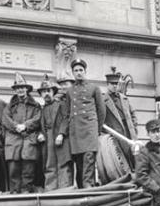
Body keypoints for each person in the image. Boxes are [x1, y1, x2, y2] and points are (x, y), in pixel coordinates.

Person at [62, 59, 106, 189]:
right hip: (75, 131)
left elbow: (101, 111)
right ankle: (81, 188)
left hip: (89, 129)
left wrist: (96, 130)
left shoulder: (94, 88)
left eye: (81, 70)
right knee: (79, 161)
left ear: (85, 71)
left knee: (89, 159)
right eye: (76, 71)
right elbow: (67, 113)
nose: (78, 73)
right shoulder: (70, 91)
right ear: (73, 73)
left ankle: (89, 186)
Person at [2, 73, 41, 194]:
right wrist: (16, 127)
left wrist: (25, 125)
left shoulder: (35, 105)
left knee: (28, 169)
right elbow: (5, 119)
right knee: (13, 168)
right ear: (14, 90)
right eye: (17, 88)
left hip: (29, 140)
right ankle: (14, 192)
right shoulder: (10, 106)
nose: (20, 90)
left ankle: (26, 191)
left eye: (22, 87)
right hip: (13, 141)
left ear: (27, 89)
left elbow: (38, 118)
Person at [37, 74, 72, 191]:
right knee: (49, 165)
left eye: (48, 91)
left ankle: (64, 191)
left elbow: (66, 119)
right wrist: (40, 134)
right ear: (41, 94)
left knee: (63, 165)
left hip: (60, 138)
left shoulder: (61, 105)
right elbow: (39, 126)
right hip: (47, 139)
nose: (46, 94)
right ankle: (50, 192)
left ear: (53, 92)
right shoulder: (42, 109)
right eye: (43, 92)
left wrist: (62, 134)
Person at [102, 66, 138, 166]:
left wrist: (134, 128)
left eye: (116, 84)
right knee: (121, 161)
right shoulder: (102, 99)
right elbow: (101, 120)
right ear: (107, 84)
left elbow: (133, 114)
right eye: (112, 84)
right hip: (116, 134)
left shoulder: (124, 98)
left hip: (129, 132)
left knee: (134, 157)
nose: (114, 86)